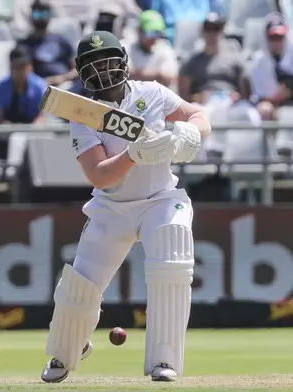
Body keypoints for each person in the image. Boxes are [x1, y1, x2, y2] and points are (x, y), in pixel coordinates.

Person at [40, 31, 210, 383]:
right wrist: (134, 154)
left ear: (123, 62)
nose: (102, 71)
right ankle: (66, 351)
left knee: (171, 255)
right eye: (93, 65)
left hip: (161, 199)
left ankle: (165, 360)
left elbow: (197, 115)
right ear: (81, 72)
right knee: (80, 288)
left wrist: (192, 133)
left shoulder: (152, 92)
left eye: (107, 61)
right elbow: (100, 176)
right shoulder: (82, 113)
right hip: (111, 206)